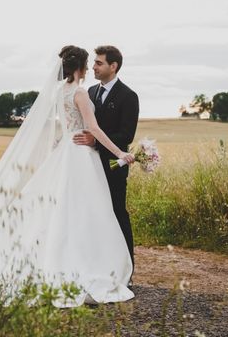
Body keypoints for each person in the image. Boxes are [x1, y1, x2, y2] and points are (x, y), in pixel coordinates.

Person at [0, 45, 136, 307]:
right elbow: (94, 129)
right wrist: (121, 152)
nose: (91, 69)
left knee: (65, 211)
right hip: (79, 157)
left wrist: (57, 149)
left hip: (66, 152)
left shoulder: (60, 92)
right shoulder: (81, 93)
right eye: (89, 64)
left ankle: (64, 257)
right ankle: (83, 262)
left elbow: (63, 128)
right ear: (80, 68)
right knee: (85, 210)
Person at [73, 46, 139, 279]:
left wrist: (96, 140)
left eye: (99, 63)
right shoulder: (89, 91)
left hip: (112, 166)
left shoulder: (128, 96)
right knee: (92, 216)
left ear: (114, 66)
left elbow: (126, 135)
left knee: (117, 213)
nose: (94, 67)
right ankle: (97, 267)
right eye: (94, 63)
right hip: (86, 166)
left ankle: (126, 271)